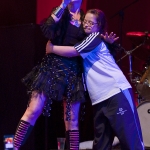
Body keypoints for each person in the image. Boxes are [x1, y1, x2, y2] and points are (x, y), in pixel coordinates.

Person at [46, 9, 145, 150]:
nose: (86, 24)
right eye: (85, 21)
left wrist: (52, 48)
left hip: (116, 93)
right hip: (99, 100)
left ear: (99, 25)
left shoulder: (95, 37)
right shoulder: (90, 39)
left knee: (131, 141)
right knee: (100, 145)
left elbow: (74, 51)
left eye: (91, 22)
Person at [13, 0, 86, 150]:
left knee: (72, 120)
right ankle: (12, 148)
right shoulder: (60, 12)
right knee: (33, 110)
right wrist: (63, 5)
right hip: (52, 67)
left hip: (74, 72)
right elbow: (47, 29)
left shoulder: (85, 19)